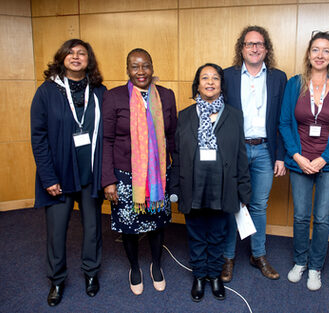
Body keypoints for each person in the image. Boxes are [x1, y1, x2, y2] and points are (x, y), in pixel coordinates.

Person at [30, 39, 106, 306]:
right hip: (59, 176)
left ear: (89, 59)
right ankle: (57, 280)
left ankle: (91, 274)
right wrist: (48, 177)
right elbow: (38, 138)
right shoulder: (47, 91)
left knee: (93, 228)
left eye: (81, 53)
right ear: (61, 58)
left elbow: (106, 135)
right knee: (57, 231)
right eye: (70, 53)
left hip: (90, 174)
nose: (76, 57)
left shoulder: (99, 91)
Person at [169, 63, 251, 302]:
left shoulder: (234, 115)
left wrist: (244, 190)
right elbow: (177, 156)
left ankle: (214, 276)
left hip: (222, 186)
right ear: (198, 84)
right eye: (205, 77)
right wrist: (175, 188)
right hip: (192, 185)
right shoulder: (184, 115)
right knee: (195, 234)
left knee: (217, 234)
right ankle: (198, 275)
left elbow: (240, 155)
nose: (210, 82)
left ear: (220, 84)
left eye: (215, 78)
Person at [279, 31, 329, 291]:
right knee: (300, 216)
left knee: (321, 218)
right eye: (316, 50)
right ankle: (300, 262)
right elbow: (285, 123)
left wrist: (323, 159)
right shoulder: (294, 83)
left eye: (326, 50)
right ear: (308, 54)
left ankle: (315, 268)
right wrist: (297, 156)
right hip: (300, 161)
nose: (320, 55)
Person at [101, 48, 177, 295]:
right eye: (135, 66)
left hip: (158, 175)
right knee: (129, 225)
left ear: (152, 68)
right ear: (128, 70)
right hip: (125, 175)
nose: (141, 71)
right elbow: (106, 140)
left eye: (145, 66)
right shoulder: (114, 97)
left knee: (157, 222)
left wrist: (176, 173)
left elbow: (172, 135)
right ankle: (134, 267)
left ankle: (156, 265)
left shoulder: (166, 95)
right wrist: (108, 181)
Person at [222, 25, 287, 282]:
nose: (255, 48)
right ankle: (228, 257)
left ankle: (257, 254)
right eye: (250, 44)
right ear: (242, 48)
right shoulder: (226, 76)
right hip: (235, 150)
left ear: (266, 49)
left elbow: (283, 119)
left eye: (259, 44)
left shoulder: (278, 77)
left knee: (259, 205)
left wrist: (280, 156)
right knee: (231, 204)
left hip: (264, 150)